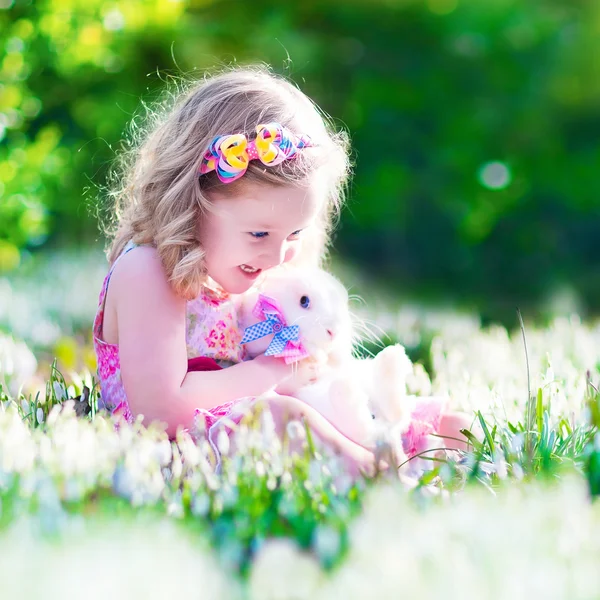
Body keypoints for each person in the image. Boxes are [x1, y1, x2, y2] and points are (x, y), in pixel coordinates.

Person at [93, 66, 469, 476]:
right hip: (183, 446)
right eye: (258, 233)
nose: (276, 256)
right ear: (192, 200)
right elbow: (161, 409)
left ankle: (476, 463)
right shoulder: (149, 270)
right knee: (281, 417)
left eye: (295, 233)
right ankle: (381, 475)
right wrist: (272, 370)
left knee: (432, 416)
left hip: (254, 412)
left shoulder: (245, 269)